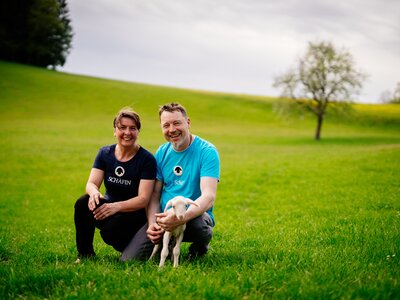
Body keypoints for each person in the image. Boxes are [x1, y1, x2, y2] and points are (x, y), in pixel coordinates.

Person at [73, 107, 157, 262]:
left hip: (134, 214)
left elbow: (144, 199)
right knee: (83, 203)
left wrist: (116, 207)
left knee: (110, 231)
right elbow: (92, 183)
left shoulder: (147, 160)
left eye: (133, 128)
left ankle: (134, 247)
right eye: (122, 127)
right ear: (114, 130)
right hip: (109, 208)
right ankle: (85, 255)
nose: (127, 132)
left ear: (138, 132)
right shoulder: (105, 153)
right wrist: (94, 193)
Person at [146, 102, 220, 258]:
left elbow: (209, 197)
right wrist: (153, 222)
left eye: (177, 123)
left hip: (194, 216)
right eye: (166, 125)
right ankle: (166, 244)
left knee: (200, 227)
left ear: (188, 122)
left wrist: (180, 218)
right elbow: (154, 195)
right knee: (135, 256)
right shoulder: (161, 152)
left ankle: (199, 249)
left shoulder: (207, 152)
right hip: (165, 217)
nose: (172, 130)